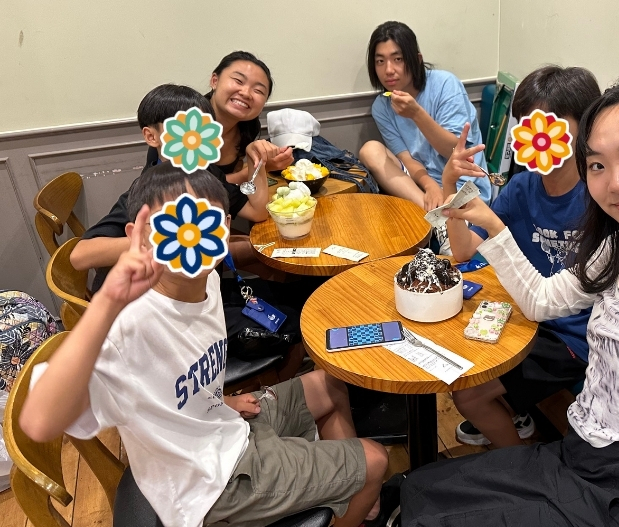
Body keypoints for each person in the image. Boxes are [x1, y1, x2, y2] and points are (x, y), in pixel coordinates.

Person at [400, 73, 619, 527]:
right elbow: (540, 301)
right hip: (582, 449)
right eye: (598, 165)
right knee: (417, 488)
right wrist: (493, 228)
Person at [21, 164, 389, 527]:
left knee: (330, 383)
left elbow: (178, 378)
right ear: (139, 236)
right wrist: (106, 304)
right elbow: (40, 422)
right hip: (207, 483)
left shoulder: (209, 282)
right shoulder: (129, 326)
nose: (191, 236)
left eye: (206, 221)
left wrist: (219, 401)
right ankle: (358, 489)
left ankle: (354, 495)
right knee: (376, 460)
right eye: (173, 224)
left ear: (225, 228)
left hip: (223, 426)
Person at [446, 66, 601, 448]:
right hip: (526, 314)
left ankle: (521, 464)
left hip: (574, 334)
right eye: (525, 123)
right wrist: (451, 184)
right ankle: (514, 414)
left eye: (548, 123)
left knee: (467, 394)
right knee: (458, 355)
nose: (536, 133)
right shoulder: (522, 185)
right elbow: (463, 250)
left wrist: (495, 227)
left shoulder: (602, 198)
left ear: (586, 129)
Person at [70, 84, 273, 290]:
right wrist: (164, 238)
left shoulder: (206, 173)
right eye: (181, 130)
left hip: (204, 290)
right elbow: (80, 255)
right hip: (161, 305)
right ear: (152, 137)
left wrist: (255, 158)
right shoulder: (150, 190)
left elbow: (257, 211)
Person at [358, 21, 492, 215]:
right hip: (421, 187)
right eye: (380, 61)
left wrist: (416, 113)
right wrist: (430, 186)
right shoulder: (382, 106)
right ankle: (437, 219)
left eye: (398, 59)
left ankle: (441, 217)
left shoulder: (445, 84)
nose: (388, 70)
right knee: (369, 150)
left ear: (417, 59)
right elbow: (406, 158)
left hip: (462, 181)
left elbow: (455, 151)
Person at [205, 50, 293, 185]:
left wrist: (260, 162)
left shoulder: (248, 127)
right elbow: (195, 186)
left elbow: (231, 183)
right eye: (238, 81)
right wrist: (259, 168)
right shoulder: (186, 121)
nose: (246, 94)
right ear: (214, 81)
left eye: (258, 91)